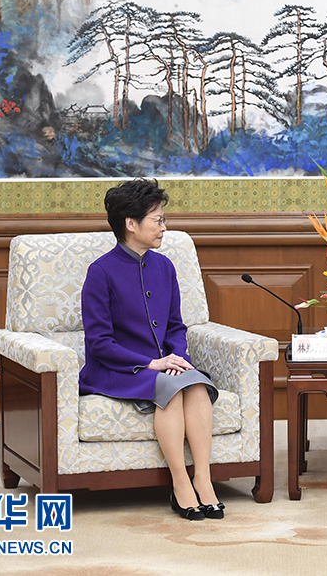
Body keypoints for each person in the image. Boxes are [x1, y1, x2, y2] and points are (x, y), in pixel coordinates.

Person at [78, 178, 224, 521]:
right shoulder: (100, 272)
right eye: (158, 220)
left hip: (163, 364)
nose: (164, 228)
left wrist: (179, 358)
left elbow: (175, 326)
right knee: (171, 389)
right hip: (117, 369)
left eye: (163, 220)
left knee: (196, 385)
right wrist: (151, 363)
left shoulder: (164, 267)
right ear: (131, 224)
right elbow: (99, 342)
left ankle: (203, 479)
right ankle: (180, 484)